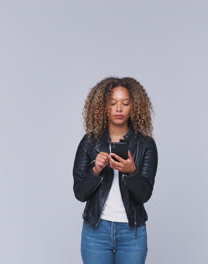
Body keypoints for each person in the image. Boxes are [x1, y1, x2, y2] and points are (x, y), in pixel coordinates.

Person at [72, 76, 158, 264]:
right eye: (113, 103)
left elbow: (144, 195)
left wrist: (131, 171)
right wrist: (95, 171)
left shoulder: (146, 144)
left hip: (132, 233)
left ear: (133, 106)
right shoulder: (89, 142)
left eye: (125, 103)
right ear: (103, 106)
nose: (119, 109)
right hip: (96, 232)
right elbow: (79, 193)